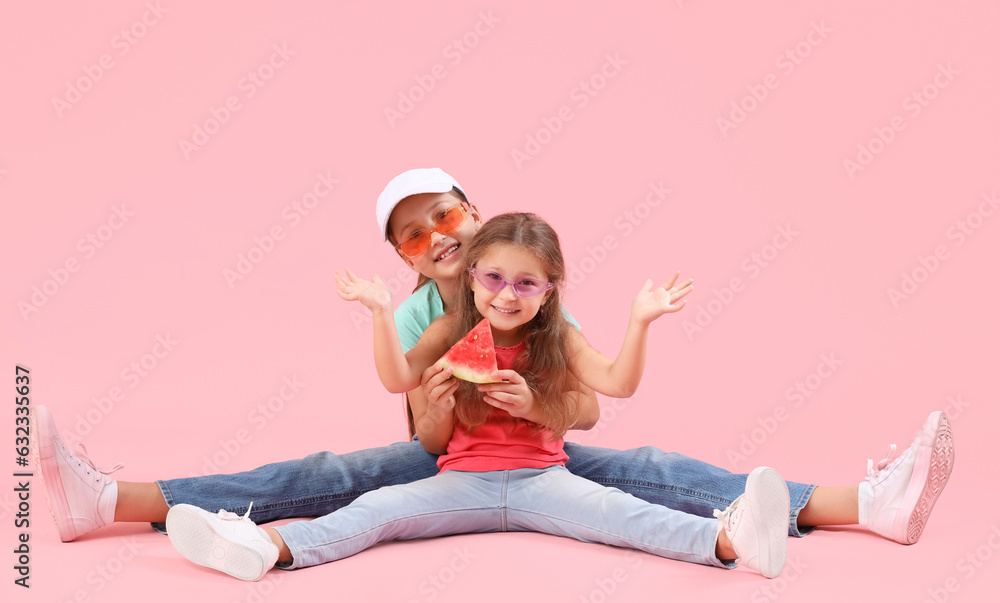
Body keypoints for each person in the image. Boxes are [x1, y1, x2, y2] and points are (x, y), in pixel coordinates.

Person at [29, 168, 954, 553]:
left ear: (474, 215)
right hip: (447, 455)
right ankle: (110, 501)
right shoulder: (438, 311)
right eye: (411, 235)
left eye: (444, 217)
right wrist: (423, 378)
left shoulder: (517, 279)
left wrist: (542, 395)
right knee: (328, 476)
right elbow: (416, 417)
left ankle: (866, 504)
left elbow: (589, 403)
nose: (435, 237)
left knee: (657, 470)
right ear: (402, 258)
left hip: (536, 451)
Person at [165, 211, 793, 580]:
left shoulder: (559, 340)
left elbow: (617, 385)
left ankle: (736, 539)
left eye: (527, 283)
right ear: (472, 277)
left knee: (627, 519)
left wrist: (640, 322)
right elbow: (396, 378)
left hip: (545, 479)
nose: (506, 294)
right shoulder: (449, 328)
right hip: (458, 480)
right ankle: (261, 547)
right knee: (372, 513)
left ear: (549, 290)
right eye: (493, 278)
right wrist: (381, 312)